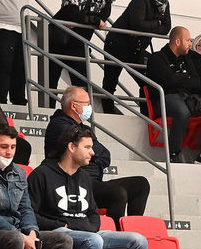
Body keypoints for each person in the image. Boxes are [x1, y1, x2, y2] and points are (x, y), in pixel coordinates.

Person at [27, 124, 149, 249]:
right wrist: (64, 225)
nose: (92, 153)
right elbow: (30, 214)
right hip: (58, 235)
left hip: (88, 234)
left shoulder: (84, 177)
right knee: (93, 241)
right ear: (71, 147)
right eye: (87, 147)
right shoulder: (41, 174)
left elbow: (93, 214)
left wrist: (87, 228)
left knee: (139, 242)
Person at [44, 87, 150, 222]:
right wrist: (94, 159)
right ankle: (118, 237)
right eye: (87, 103)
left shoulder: (85, 128)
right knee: (116, 193)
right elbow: (87, 155)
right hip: (72, 183)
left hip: (93, 181)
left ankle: (134, 231)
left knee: (140, 184)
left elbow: (105, 155)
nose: (90, 107)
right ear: (73, 105)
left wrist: (92, 158)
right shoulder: (59, 125)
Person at [146, 26, 201, 164]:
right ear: (177, 42)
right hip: (165, 99)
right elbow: (168, 81)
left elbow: (197, 82)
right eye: (187, 40)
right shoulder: (157, 58)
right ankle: (173, 154)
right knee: (183, 112)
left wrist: (179, 79)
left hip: (189, 98)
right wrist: (184, 79)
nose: (190, 44)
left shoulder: (187, 58)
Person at [101, 0, 173, 113]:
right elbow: (137, 24)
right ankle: (108, 111)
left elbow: (167, 28)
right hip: (117, 45)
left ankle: (146, 114)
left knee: (146, 82)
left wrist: (146, 27)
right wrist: (157, 22)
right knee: (111, 81)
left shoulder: (165, 4)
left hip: (136, 48)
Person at [45, 0, 110, 104]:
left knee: (82, 86)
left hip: (78, 45)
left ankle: (82, 118)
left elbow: (106, 11)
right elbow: (72, 14)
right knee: (50, 83)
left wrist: (87, 20)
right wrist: (94, 21)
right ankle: (47, 113)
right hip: (59, 43)